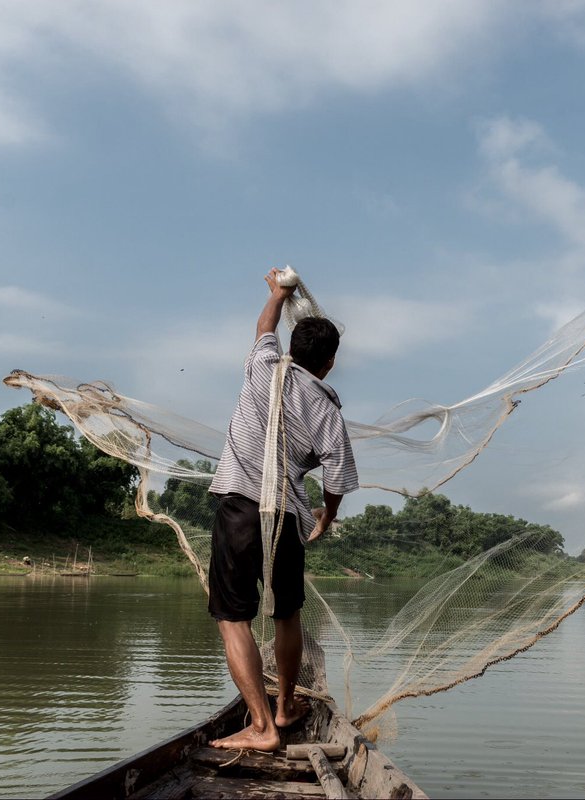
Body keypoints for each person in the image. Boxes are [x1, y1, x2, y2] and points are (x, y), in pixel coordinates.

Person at [205, 268, 359, 751]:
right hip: (288, 517)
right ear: (329, 363)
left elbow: (263, 328)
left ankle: (262, 727)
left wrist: (278, 293)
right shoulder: (328, 409)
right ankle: (285, 705)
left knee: (234, 619)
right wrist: (326, 516)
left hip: (239, 508)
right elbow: (336, 480)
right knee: (287, 615)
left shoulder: (263, 366)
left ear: (292, 349)